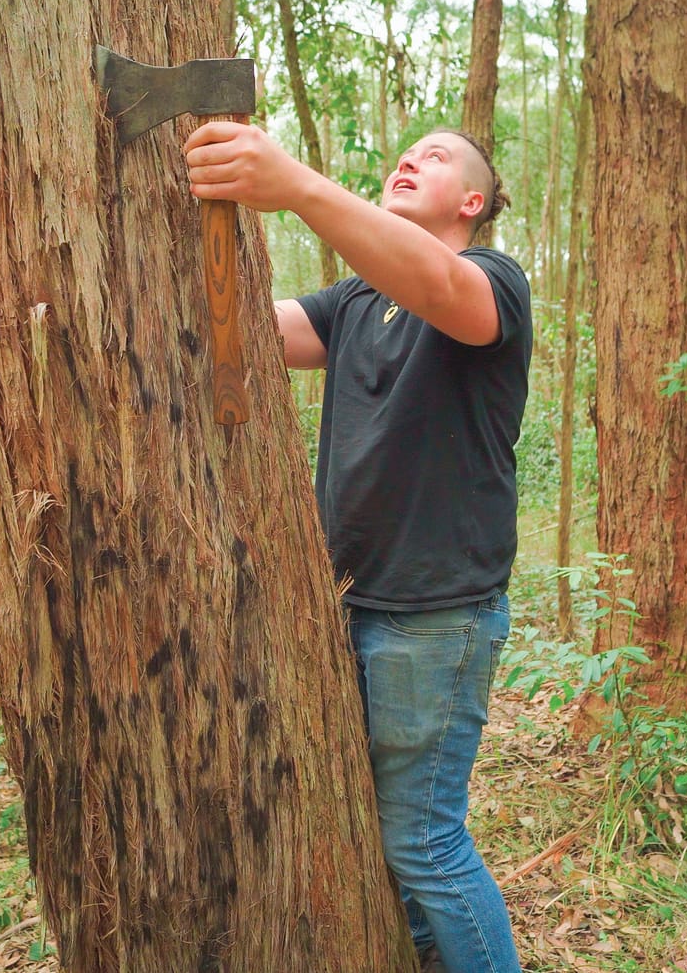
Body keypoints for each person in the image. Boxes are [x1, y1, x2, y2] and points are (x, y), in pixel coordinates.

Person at [184, 122, 530, 973]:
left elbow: (439, 286)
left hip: (436, 613)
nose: (409, 159)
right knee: (370, 829)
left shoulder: (492, 281)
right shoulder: (354, 302)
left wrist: (296, 184)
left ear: (472, 203)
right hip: (347, 601)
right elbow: (249, 329)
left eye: (437, 157)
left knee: (424, 841)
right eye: (403, 153)